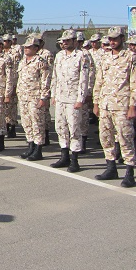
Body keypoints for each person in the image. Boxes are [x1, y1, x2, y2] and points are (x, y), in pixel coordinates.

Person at [93, 26, 136, 187]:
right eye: (110, 39)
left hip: (122, 105)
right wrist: (96, 102)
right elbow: (99, 81)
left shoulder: (130, 57)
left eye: (115, 38)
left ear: (122, 38)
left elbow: (135, 84)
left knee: (125, 137)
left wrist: (133, 106)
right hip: (105, 104)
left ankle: (129, 172)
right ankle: (111, 167)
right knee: (105, 137)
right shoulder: (105, 58)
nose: (112, 41)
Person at [49, 30, 90, 171]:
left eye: (67, 40)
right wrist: (53, 94)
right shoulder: (59, 56)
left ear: (75, 41)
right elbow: (55, 76)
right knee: (60, 127)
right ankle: (64, 156)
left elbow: (84, 79)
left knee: (74, 129)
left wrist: (80, 99)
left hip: (73, 99)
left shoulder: (82, 56)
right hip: (60, 97)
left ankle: (74, 160)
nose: (64, 43)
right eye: (63, 41)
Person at [17, 37, 51, 161]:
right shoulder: (22, 62)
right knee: (26, 123)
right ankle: (30, 146)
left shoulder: (41, 62)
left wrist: (43, 97)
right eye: (25, 47)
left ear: (36, 48)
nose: (26, 49)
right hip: (24, 97)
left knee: (37, 123)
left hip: (35, 97)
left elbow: (45, 81)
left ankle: (38, 149)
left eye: (29, 47)